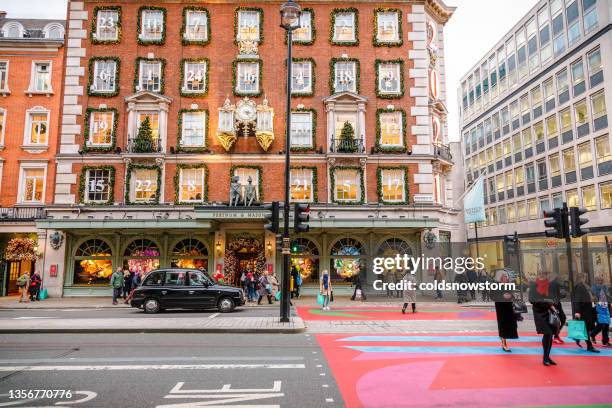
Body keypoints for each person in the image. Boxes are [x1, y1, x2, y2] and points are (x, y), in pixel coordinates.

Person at [529, 270, 560, 366]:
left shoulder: (550, 285)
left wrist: (554, 302)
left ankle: (547, 356)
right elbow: (531, 300)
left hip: (549, 311)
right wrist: (545, 301)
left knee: (549, 335)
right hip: (539, 312)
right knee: (547, 333)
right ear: (538, 275)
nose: (542, 275)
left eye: (544, 274)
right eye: (540, 274)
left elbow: (555, 297)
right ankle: (545, 358)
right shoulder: (534, 285)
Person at [572, 273, 600, 353]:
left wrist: (593, 298)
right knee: (586, 328)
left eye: (585, 277)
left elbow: (590, 295)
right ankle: (589, 346)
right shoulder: (579, 286)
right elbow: (577, 299)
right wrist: (577, 311)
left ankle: (578, 338)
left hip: (588, 309)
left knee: (587, 327)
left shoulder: (585, 285)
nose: (584, 278)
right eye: (583, 277)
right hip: (583, 310)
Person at [492, 270, 518, 352]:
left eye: (506, 276)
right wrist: (502, 296)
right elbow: (492, 296)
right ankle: (504, 342)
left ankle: (504, 337)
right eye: (503, 276)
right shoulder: (495, 285)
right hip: (501, 306)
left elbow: (513, 295)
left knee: (510, 324)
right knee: (503, 324)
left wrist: (511, 296)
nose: (505, 278)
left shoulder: (509, 285)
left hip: (509, 306)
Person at [550, 273, 567, 345]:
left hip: (554, 303)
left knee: (559, 318)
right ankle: (554, 335)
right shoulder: (554, 283)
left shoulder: (554, 283)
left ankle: (555, 335)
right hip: (553, 304)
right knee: (558, 319)